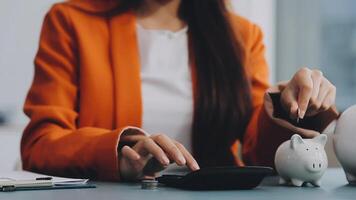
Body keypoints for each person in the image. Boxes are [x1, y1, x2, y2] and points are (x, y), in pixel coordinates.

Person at [21, 0, 339, 181]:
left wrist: (287, 109)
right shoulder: (70, 22)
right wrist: (118, 150)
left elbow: (258, 151)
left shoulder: (242, 36)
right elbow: (40, 144)